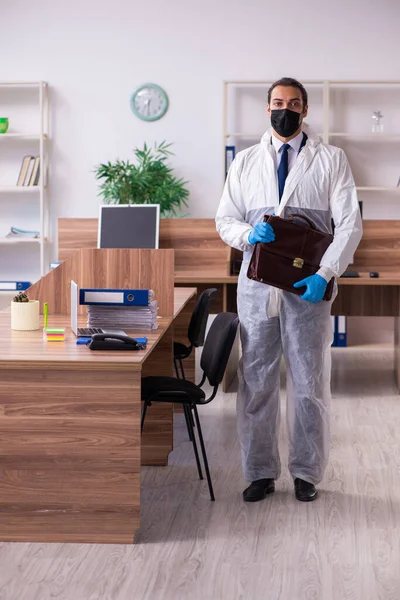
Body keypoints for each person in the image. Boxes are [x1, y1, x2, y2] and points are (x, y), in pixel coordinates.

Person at [216, 77, 362, 503]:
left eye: (294, 103)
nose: (286, 109)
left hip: (308, 288)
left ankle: (306, 473)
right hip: (258, 289)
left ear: (306, 110)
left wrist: (327, 272)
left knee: (310, 382)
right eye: (279, 102)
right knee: (256, 380)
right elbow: (225, 220)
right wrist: (249, 233)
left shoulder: (331, 159)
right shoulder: (245, 162)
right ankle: (259, 472)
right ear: (267, 108)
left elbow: (349, 224)